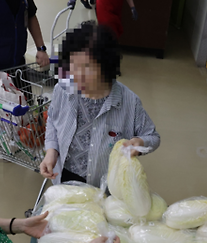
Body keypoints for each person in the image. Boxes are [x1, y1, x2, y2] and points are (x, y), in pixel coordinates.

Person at [39, 23, 160, 187]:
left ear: (106, 66)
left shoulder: (129, 101)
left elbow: (152, 137)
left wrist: (140, 142)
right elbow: (53, 120)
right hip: (64, 175)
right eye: (73, 65)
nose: (77, 75)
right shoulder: (63, 88)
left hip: (104, 185)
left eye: (87, 67)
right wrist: (51, 152)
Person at [67, 0, 138, 38]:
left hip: (116, 8)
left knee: (114, 31)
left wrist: (132, 7)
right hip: (104, 8)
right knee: (108, 31)